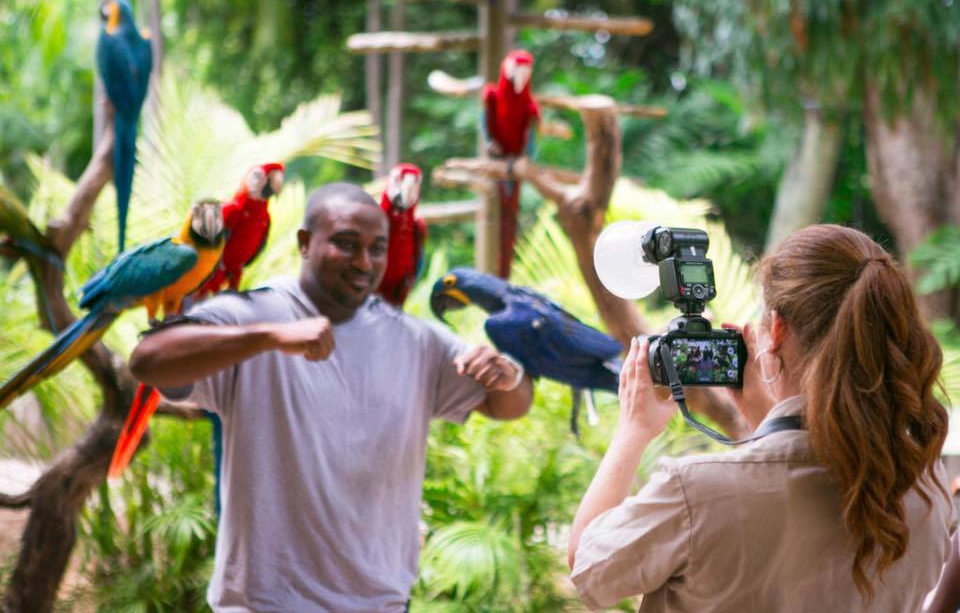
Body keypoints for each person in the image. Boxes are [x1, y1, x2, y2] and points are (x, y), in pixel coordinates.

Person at [129, 183, 533, 611]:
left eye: (377, 249)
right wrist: (269, 337)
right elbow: (148, 360)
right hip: (264, 603)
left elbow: (509, 405)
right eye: (346, 244)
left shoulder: (414, 339)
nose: (364, 262)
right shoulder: (251, 313)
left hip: (379, 603)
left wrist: (507, 377)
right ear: (305, 242)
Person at [567, 224, 955, 612]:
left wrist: (633, 430)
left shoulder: (696, 492)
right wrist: (765, 417)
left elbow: (587, 565)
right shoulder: (924, 490)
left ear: (776, 332)